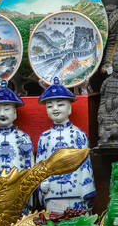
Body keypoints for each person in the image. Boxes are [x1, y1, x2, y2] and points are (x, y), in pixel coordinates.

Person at [35, 81, 95, 212]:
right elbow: (40, 165)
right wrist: (41, 184)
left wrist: (86, 188)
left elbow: (85, 164)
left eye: (60, 104)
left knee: (77, 224)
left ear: (69, 108)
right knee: (54, 225)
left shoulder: (78, 134)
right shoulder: (44, 137)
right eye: (50, 106)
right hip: (52, 191)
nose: (55, 109)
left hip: (76, 190)